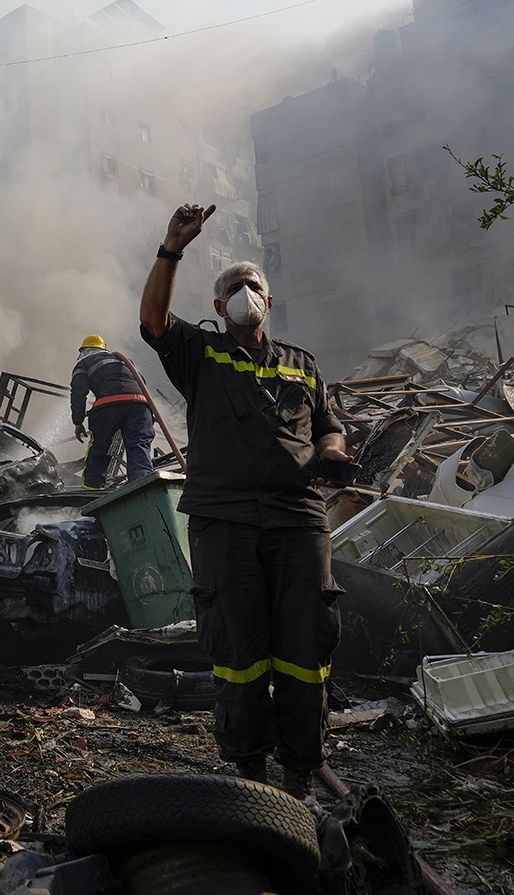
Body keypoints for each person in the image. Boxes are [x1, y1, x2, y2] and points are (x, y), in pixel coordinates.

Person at [138, 202, 351, 799]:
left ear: (269, 300)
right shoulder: (199, 353)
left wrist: (332, 451)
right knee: (239, 649)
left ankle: (300, 774)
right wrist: (172, 247)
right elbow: (152, 320)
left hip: (299, 518)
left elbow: (330, 425)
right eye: (233, 288)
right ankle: (251, 774)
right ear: (218, 306)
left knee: (306, 647)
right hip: (223, 519)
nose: (245, 294)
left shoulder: (303, 366)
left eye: (252, 284)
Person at [70, 333, 155, 488]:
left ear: (83, 350)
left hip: (108, 406)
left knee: (100, 446)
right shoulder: (121, 360)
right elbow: (141, 382)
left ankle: (92, 487)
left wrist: (78, 421)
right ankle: (142, 486)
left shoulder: (84, 363)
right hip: (140, 405)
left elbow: (78, 393)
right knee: (139, 445)